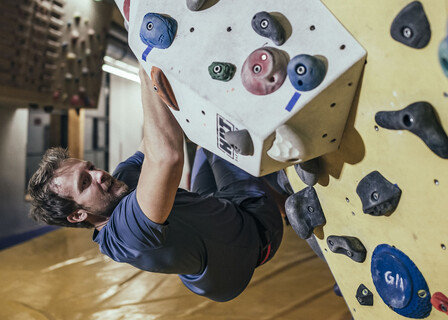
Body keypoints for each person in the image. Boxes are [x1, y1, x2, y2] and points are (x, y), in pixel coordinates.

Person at [27, 67, 284, 302]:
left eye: (91, 168)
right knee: (226, 131)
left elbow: (151, 143)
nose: (99, 175)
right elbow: (167, 157)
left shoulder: (118, 186)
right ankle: (287, 188)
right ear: (78, 214)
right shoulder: (125, 235)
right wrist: (146, 66)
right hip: (254, 233)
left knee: (205, 136)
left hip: (213, 232)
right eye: (85, 182)